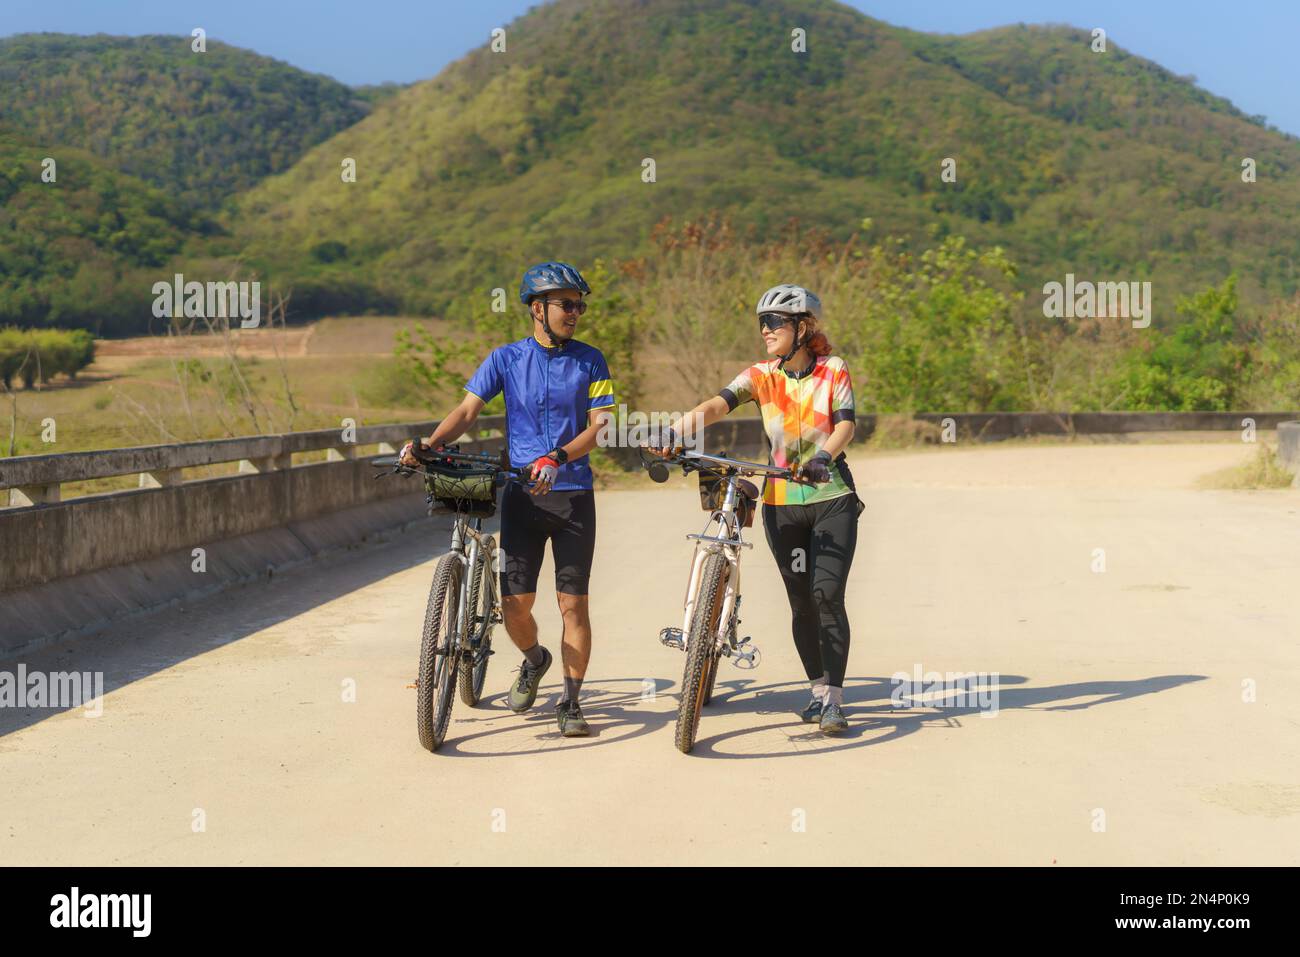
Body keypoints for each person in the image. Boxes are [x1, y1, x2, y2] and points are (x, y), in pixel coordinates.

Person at [401, 262, 615, 737]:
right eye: (566, 304)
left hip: (573, 495)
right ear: (538, 309)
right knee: (515, 605)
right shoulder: (506, 360)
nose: (576, 312)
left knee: (572, 605)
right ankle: (534, 659)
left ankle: (571, 701)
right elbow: (466, 411)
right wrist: (428, 446)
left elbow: (600, 426)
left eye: (580, 305)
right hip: (522, 496)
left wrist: (557, 457)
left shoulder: (591, 360)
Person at [656, 284, 863, 734]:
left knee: (826, 594)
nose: (765, 330)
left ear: (802, 328)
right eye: (762, 323)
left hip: (831, 501)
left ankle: (836, 699)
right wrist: (674, 431)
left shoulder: (833, 370)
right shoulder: (761, 375)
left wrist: (823, 456)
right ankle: (816, 691)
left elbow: (846, 424)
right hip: (781, 504)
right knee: (800, 600)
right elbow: (717, 403)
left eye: (775, 322)